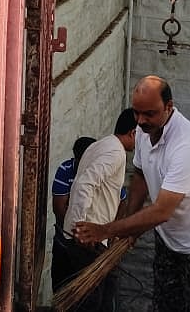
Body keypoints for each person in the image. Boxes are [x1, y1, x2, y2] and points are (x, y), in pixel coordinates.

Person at [75, 75, 190, 312]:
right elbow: (140, 176)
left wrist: (106, 230)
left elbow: (162, 210)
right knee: (164, 304)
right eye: (137, 113)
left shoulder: (186, 144)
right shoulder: (142, 134)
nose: (141, 120)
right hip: (169, 239)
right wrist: (129, 226)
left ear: (169, 107)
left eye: (149, 113)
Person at [56, 108, 139, 311]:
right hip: (89, 239)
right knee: (92, 303)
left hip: (91, 237)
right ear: (133, 133)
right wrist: (81, 228)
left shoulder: (102, 145)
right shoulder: (115, 152)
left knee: (101, 297)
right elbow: (84, 184)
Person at [51, 136, 96, 290]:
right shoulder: (66, 170)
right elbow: (59, 209)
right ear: (77, 159)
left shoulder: (99, 170)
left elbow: (121, 198)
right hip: (67, 239)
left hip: (94, 240)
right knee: (62, 285)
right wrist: (78, 234)